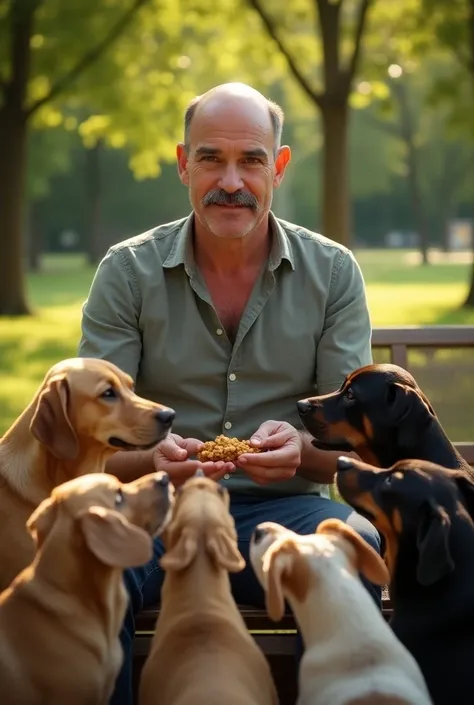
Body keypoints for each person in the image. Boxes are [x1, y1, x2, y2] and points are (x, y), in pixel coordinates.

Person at [78, 82, 380, 705]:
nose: (232, 182)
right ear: (184, 164)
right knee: (89, 553)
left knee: (355, 547)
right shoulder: (127, 272)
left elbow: (356, 443)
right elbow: (92, 443)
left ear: (280, 166)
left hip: (288, 516)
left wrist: (300, 447)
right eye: (211, 159)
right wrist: (154, 460)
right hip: (157, 511)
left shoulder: (332, 273)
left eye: (251, 161)